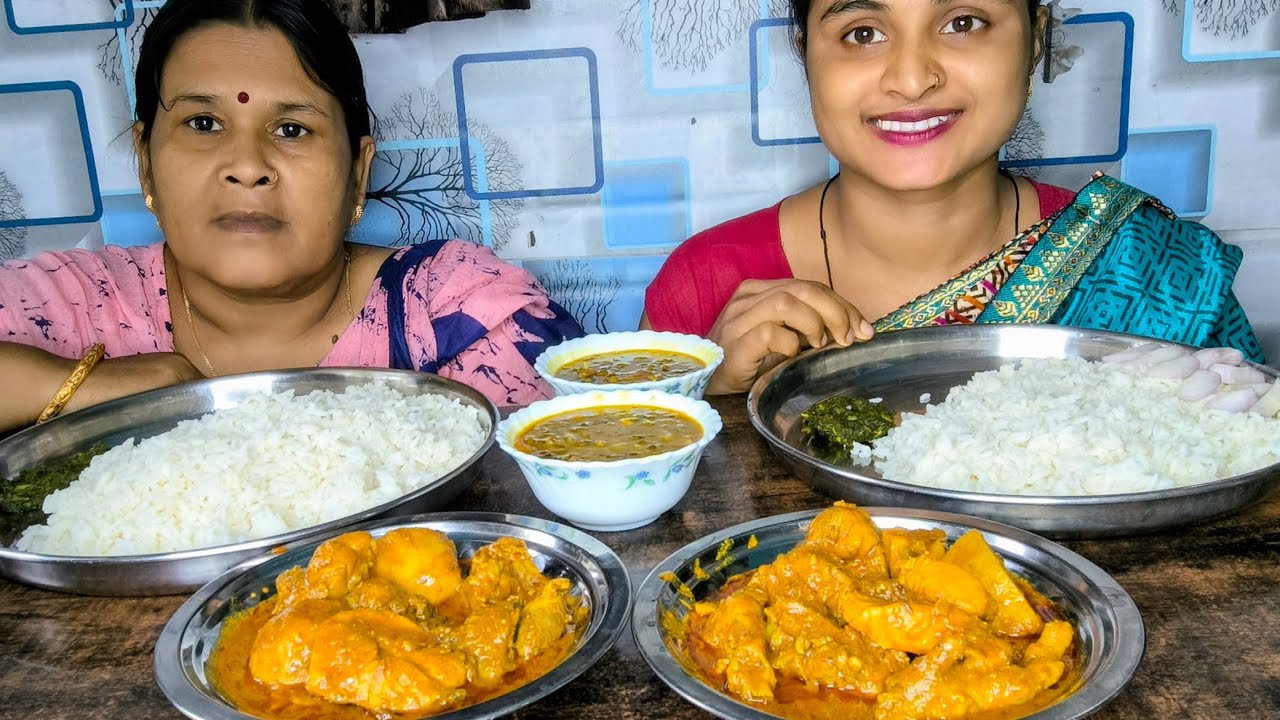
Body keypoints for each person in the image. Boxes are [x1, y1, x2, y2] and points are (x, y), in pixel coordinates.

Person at [0, 0, 582, 433]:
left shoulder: (454, 313)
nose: (248, 166)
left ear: (357, 174)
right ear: (146, 164)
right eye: (203, 124)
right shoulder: (72, 306)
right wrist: (84, 387)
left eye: (292, 129)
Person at [642, 0, 1264, 394]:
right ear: (806, 52)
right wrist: (708, 394)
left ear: (1036, 39)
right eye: (863, 32)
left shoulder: (1155, 271)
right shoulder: (705, 286)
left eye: (963, 23)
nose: (913, 79)